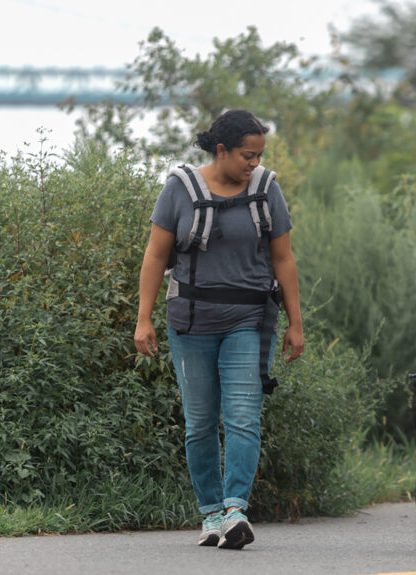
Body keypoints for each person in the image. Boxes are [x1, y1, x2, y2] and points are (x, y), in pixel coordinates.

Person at [133, 109, 304, 549]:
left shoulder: (267, 190)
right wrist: (143, 317)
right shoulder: (180, 190)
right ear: (222, 150)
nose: (254, 164)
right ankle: (210, 514)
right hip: (190, 322)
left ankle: (234, 509)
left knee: (244, 417)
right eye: (248, 155)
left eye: (259, 155)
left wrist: (295, 324)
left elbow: (283, 259)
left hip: (248, 319)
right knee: (200, 423)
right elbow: (155, 256)